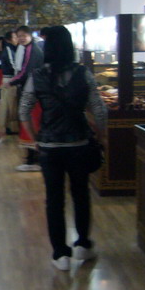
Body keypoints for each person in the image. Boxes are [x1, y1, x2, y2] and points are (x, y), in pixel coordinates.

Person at [19, 25, 107, 272]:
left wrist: (37, 138)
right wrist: (101, 136)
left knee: (54, 200)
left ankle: (60, 253)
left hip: (49, 146)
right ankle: (82, 244)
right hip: (79, 142)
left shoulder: (37, 75)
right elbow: (99, 110)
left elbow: (24, 109)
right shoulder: (83, 73)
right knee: (81, 194)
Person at [10, 25, 44, 171]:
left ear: (30, 35)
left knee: (31, 123)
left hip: (34, 94)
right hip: (33, 92)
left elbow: (27, 72)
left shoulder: (34, 50)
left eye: (24, 35)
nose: (21, 38)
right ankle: (32, 159)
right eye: (19, 36)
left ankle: (34, 161)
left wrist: (12, 81)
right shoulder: (29, 48)